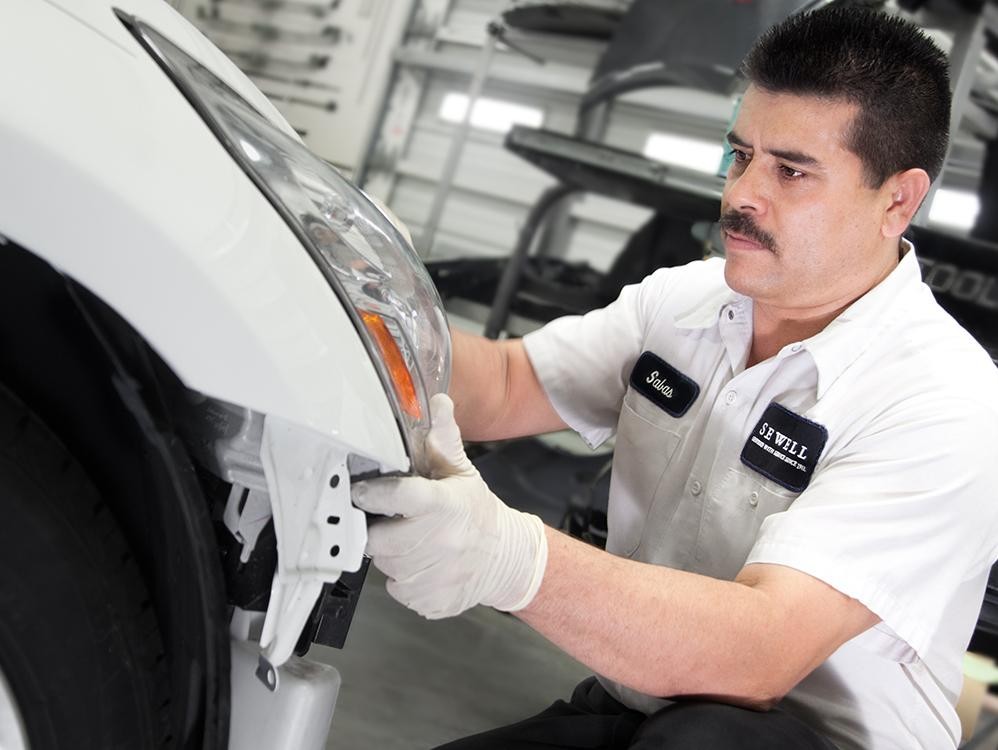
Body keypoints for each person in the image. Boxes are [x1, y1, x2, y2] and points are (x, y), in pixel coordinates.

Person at [352, 7, 998, 749]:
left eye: (791, 171)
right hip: (651, 707)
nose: (742, 194)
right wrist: (381, 316)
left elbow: (760, 652)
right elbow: (502, 383)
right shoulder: (687, 301)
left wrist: (507, 555)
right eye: (740, 155)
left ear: (898, 200)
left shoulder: (944, 403)